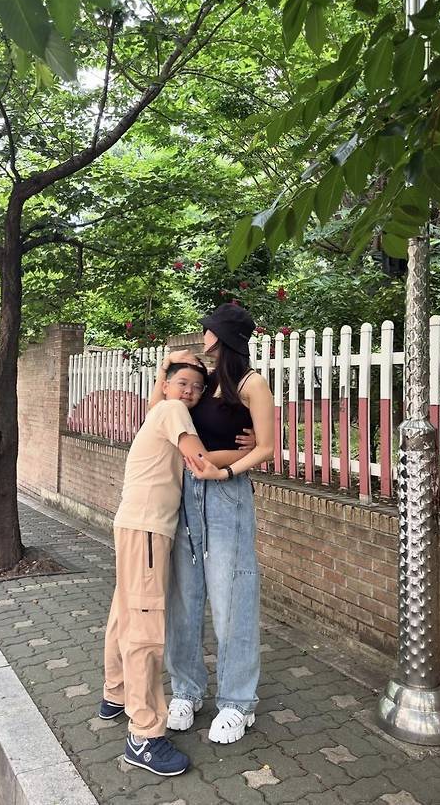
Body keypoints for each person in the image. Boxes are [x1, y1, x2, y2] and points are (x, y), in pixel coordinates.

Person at [99, 359, 254, 775]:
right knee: (145, 630)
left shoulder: (159, 410)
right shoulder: (172, 411)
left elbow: (166, 406)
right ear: (167, 386)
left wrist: (164, 372)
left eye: (197, 387)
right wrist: (249, 451)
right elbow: (199, 462)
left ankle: (115, 694)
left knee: (124, 613)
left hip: (134, 524)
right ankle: (144, 735)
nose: (189, 391)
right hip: (149, 530)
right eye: (182, 383)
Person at [150, 303, 275, 745]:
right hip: (185, 493)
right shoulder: (202, 381)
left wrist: (226, 470)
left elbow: (267, 447)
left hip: (225, 495)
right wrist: (165, 368)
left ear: (220, 335)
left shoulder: (251, 383)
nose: (202, 337)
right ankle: (186, 690)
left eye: (207, 331)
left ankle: (238, 702)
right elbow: (159, 417)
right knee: (184, 597)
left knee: (232, 597)